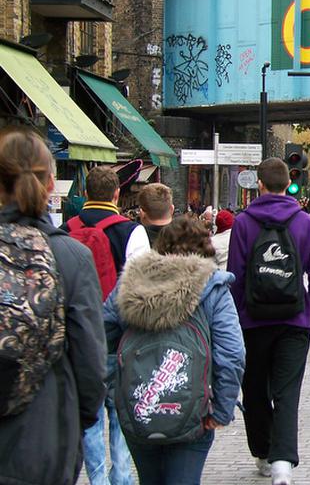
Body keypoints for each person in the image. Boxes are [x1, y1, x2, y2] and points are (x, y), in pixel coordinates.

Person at [103, 215, 245, 484]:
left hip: (138, 405)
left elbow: (103, 337)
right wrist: (221, 410)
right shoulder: (213, 288)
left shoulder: (131, 283)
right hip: (194, 411)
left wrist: (116, 391)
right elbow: (232, 353)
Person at [0, 129, 107, 485]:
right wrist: (79, 419)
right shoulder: (72, 256)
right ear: (50, 185)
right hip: (44, 435)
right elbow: (90, 360)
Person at [226, 157, 310, 484]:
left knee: (254, 389)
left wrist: (239, 316)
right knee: (287, 392)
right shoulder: (305, 222)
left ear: (260, 185)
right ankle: (284, 462)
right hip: (293, 320)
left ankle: (263, 454)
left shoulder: (243, 222)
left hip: (253, 320)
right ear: (288, 184)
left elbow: (236, 275)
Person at [63, 166, 150, 485]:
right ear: (117, 194)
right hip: (120, 339)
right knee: (120, 415)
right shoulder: (132, 231)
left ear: (86, 193)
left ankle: (96, 477)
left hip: (78, 337)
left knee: (89, 415)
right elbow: (141, 287)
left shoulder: (65, 228)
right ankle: (122, 477)